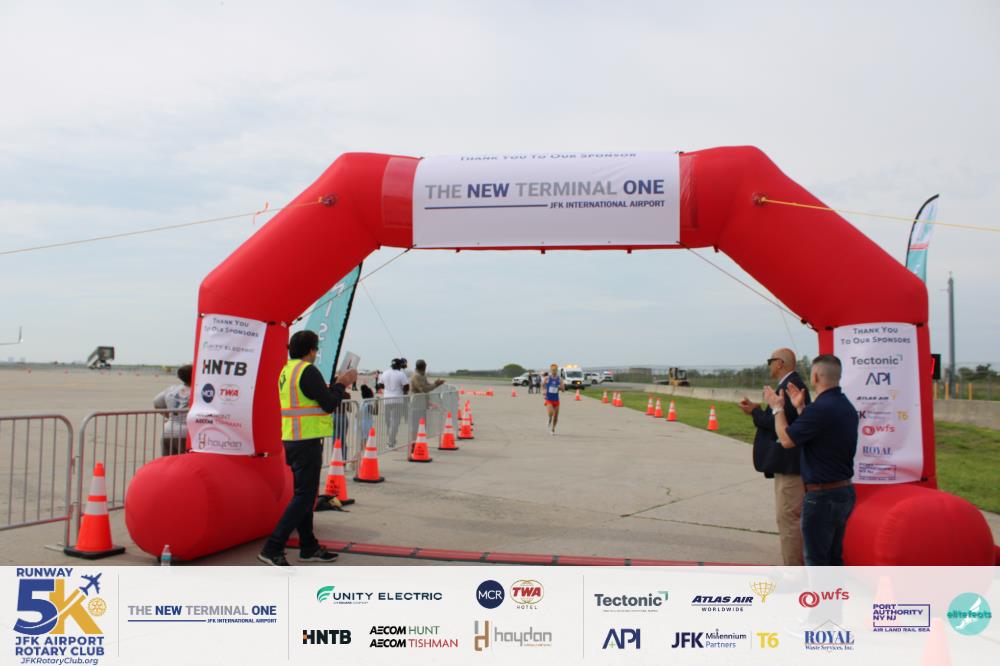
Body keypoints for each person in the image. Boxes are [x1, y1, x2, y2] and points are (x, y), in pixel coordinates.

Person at [258, 330, 357, 567]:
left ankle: (308, 546)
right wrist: (342, 384)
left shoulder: (287, 370)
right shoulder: (307, 370)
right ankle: (272, 547)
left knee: (305, 495)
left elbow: (312, 398)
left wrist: (334, 387)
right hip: (306, 440)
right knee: (304, 497)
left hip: (293, 438)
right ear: (312, 350)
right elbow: (329, 404)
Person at [765, 354, 858, 566]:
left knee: (816, 560)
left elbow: (786, 440)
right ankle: (834, 589)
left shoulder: (820, 409)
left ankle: (819, 590)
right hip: (844, 492)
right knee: (833, 557)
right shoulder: (845, 406)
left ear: (815, 377)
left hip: (822, 497)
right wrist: (801, 409)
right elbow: (821, 433)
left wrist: (778, 408)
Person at [738, 348, 810, 566]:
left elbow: (779, 423)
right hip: (788, 465)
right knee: (789, 519)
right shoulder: (789, 384)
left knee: (789, 520)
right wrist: (759, 409)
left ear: (780, 363)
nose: (769, 365)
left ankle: (794, 571)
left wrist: (755, 412)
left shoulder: (790, 386)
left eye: (770, 361)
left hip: (790, 466)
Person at [153, 364, 192, 456]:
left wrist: (169, 416)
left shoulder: (172, 389)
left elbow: (156, 403)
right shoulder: (197, 391)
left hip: (168, 431)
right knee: (185, 463)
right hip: (186, 433)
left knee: (167, 462)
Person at [409, 359, 446, 444]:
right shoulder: (416, 376)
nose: (426, 367)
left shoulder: (422, 375)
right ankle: (414, 443)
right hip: (416, 404)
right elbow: (423, 389)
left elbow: (427, 385)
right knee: (416, 425)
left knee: (422, 424)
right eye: (425, 366)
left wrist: (436, 383)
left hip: (423, 404)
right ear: (422, 367)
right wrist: (436, 385)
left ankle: (420, 442)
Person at [381, 357, 409, 448]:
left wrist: (387, 389)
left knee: (388, 420)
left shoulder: (385, 373)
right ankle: (391, 441)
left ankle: (391, 438)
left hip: (386, 400)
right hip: (397, 400)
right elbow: (406, 386)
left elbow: (380, 384)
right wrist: (403, 392)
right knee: (395, 421)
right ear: (399, 365)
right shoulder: (401, 374)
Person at [542, 363, 565, 435]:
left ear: (557, 370)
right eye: (552, 370)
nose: (553, 371)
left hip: (556, 399)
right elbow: (542, 385)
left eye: (555, 370)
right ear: (551, 370)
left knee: (556, 416)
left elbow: (563, 390)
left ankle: (553, 429)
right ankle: (549, 419)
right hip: (549, 399)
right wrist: (544, 391)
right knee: (551, 413)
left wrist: (560, 387)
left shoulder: (560, 379)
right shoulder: (547, 378)